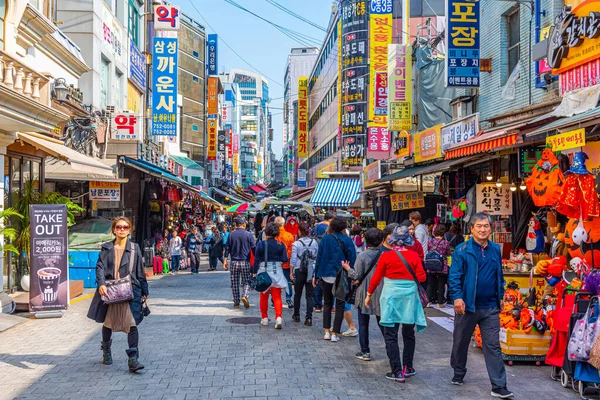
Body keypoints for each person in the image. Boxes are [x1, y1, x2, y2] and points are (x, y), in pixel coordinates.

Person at [448, 213, 513, 399]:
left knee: (492, 346)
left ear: (490, 228)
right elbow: (454, 277)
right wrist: (457, 297)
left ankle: (499, 386)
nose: (483, 229)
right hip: (467, 306)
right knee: (460, 342)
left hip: (490, 307)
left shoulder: (495, 249)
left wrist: (500, 294)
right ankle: (458, 372)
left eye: (486, 226)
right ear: (472, 229)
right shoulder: (462, 250)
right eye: (479, 226)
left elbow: (498, 274)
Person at [365, 226, 427, 383]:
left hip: (391, 297)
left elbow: (376, 278)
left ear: (391, 240)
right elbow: (422, 277)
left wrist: (369, 295)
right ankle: (408, 367)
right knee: (408, 333)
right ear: (408, 240)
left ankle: (397, 371)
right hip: (409, 299)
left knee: (391, 335)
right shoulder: (414, 256)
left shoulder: (386, 257)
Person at [87, 217, 148, 372]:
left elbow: (140, 271)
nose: (122, 230)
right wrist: (101, 283)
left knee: (132, 323)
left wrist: (145, 291)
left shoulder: (135, 248)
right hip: (111, 290)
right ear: (113, 230)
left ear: (129, 230)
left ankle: (133, 359)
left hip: (130, 291)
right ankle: (106, 351)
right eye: (119, 227)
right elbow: (99, 267)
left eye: (125, 227)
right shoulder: (107, 248)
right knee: (108, 323)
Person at [313, 216, 357, 343]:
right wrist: (351, 273)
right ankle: (335, 333)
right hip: (341, 274)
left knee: (327, 303)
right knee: (340, 305)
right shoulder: (347, 240)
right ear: (344, 227)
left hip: (326, 274)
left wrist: (316, 275)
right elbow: (352, 258)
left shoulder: (325, 239)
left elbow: (319, 257)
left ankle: (326, 331)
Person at [349, 228, 385, 361]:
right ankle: (390, 348)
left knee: (363, 323)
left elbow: (356, 275)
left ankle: (365, 351)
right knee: (383, 322)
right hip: (381, 290)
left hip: (365, 291)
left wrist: (348, 269)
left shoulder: (362, 256)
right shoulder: (385, 255)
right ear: (381, 241)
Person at [253, 222, 289, 329]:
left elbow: (256, 259)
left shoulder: (261, 244)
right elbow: (284, 259)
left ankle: (264, 318)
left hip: (264, 270)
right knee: (277, 296)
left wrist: (254, 272)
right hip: (276, 270)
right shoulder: (280, 244)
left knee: (263, 295)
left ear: (266, 232)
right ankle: (278, 317)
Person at [290, 222, 318, 326]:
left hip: (298, 269)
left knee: (297, 293)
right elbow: (316, 256)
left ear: (299, 231)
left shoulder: (296, 244)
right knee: (309, 295)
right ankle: (309, 318)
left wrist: (291, 272)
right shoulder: (314, 242)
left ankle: (296, 314)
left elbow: (293, 259)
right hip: (310, 270)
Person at [224, 217, 256, 309]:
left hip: (234, 262)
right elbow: (253, 248)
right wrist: (257, 260)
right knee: (246, 281)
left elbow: (227, 248)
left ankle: (236, 302)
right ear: (243, 224)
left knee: (234, 282)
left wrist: (225, 261)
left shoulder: (231, 235)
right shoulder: (249, 235)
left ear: (236, 225)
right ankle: (245, 296)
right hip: (245, 261)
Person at [426, 225, 452, 308]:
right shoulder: (445, 243)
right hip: (442, 265)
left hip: (430, 264)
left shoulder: (430, 241)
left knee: (430, 284)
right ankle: (440, 302)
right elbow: (448, 253)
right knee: (441, 284)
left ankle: (428, 301)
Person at [274, 216, 295, 308]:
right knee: (288, 281)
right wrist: (285, 258)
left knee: (275, 281)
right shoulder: (289, 235)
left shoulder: (272, 236)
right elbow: (291, 250)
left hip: (275, 263)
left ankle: (274, 299)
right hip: (286, 263)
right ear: (283, 224)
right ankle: (288, 298)